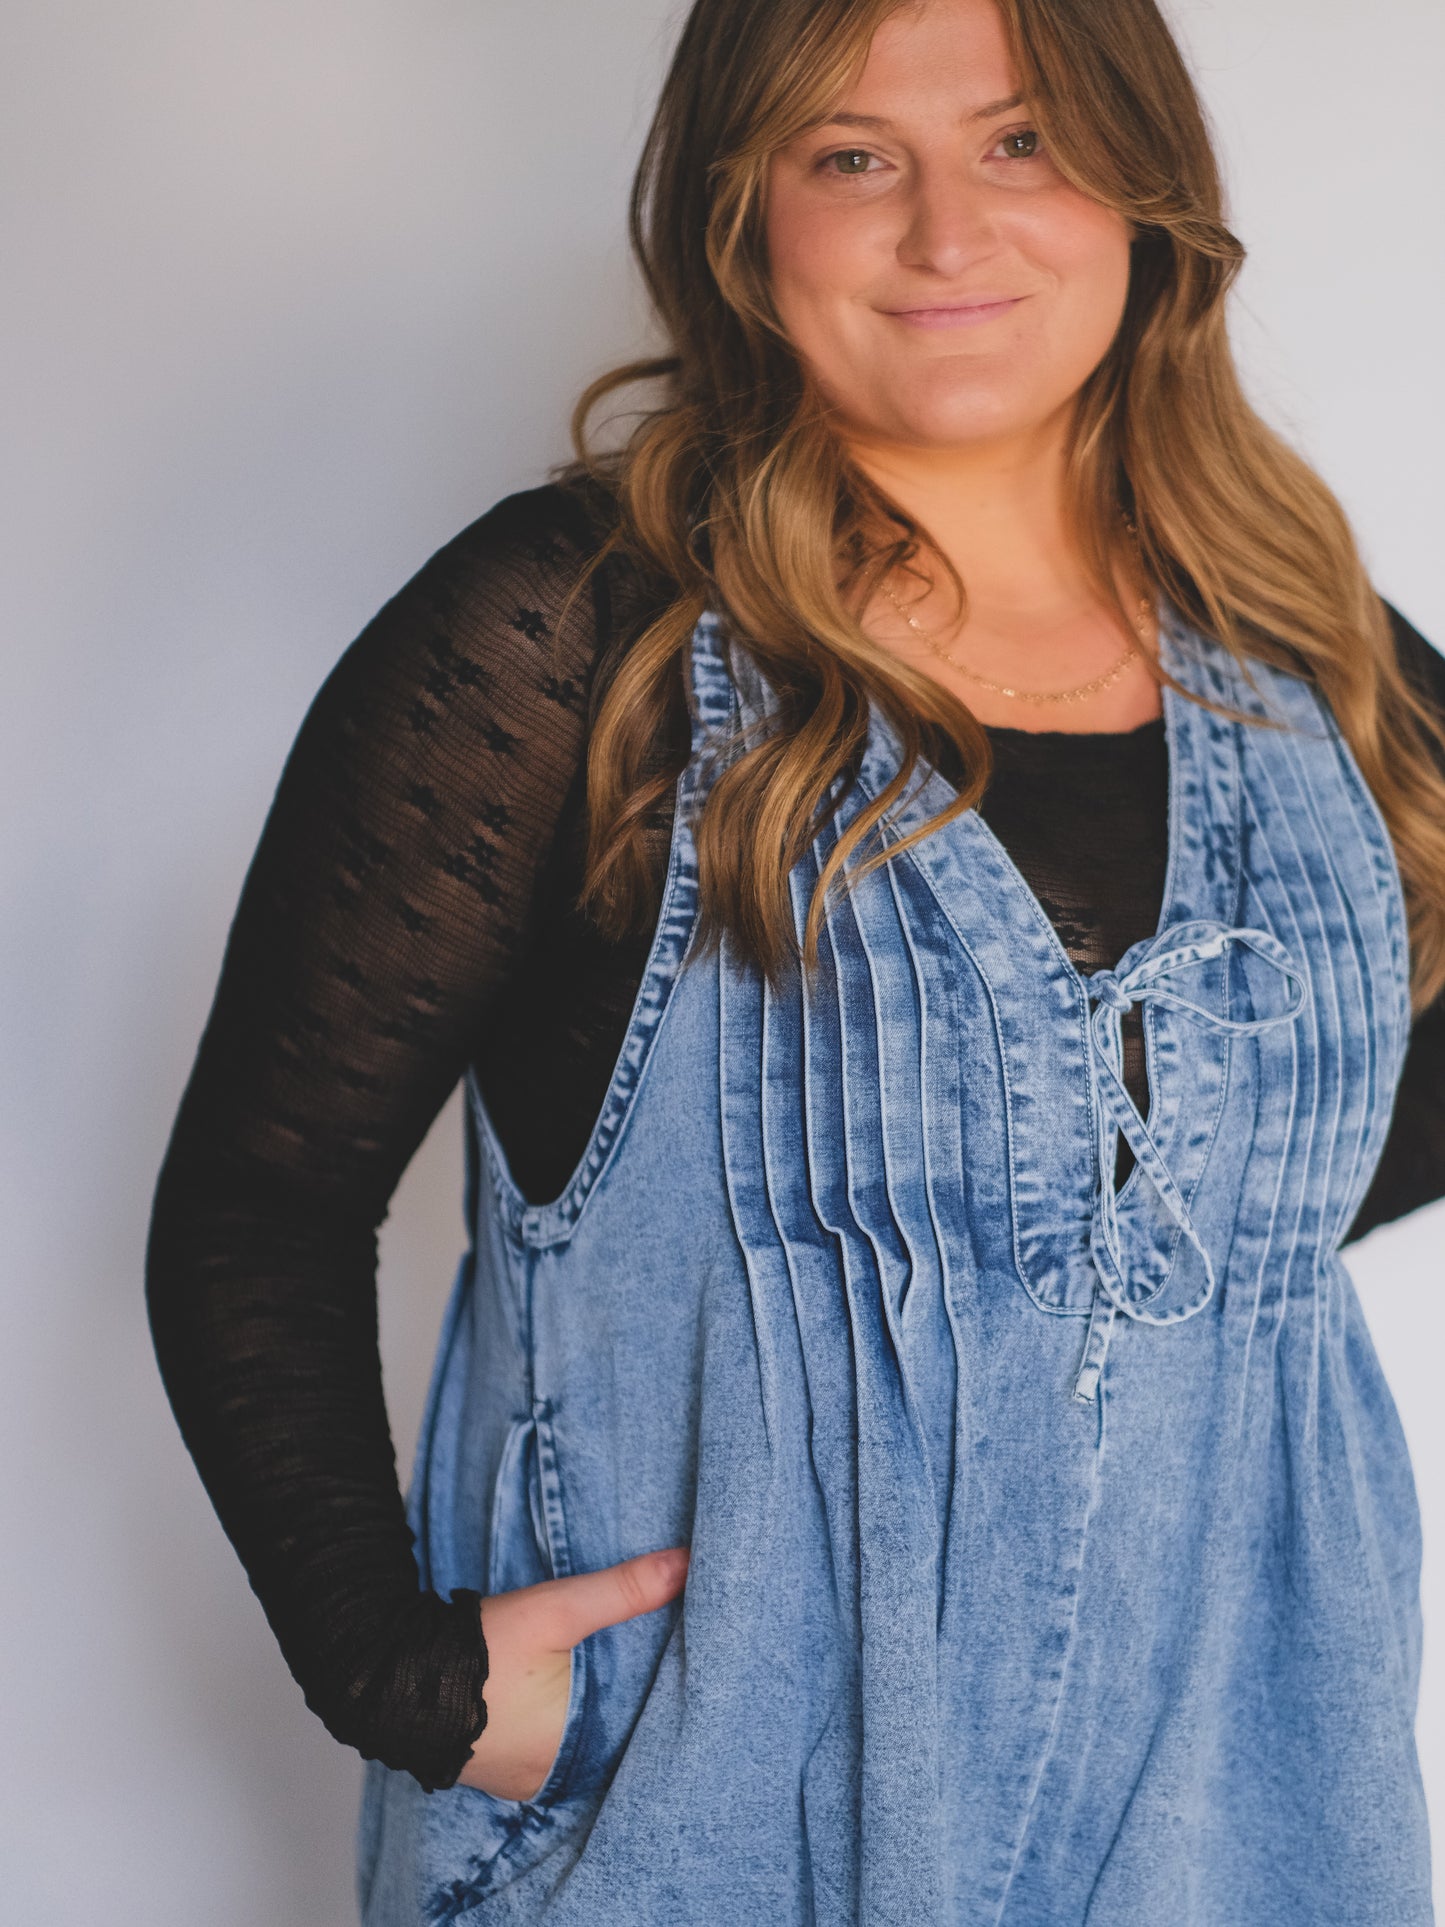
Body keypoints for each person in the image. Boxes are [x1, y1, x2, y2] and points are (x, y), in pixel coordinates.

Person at [145, 0, 1445, 1919]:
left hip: (1248, 1816)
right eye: (852, 157)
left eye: (1022, 143)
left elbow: (1283, 1162)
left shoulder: (1329, 665)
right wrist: (397, 1670)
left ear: (1148, 193)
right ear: (739, 215)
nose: (945, 230)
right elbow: (256, 1206)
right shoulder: (570, 644)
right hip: (702, 1824)